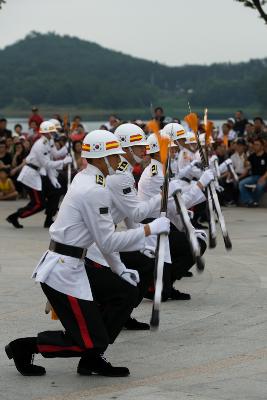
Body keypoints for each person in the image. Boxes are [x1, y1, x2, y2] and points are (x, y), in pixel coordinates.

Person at [5, 130, 170, 377]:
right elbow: (109, 240)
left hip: (76, 262)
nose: (119, 161)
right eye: (114, 156)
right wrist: (149, 229)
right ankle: (25, 346)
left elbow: (102, 240)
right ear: (101, 159)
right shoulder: (94, 189)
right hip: (63, 272)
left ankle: (93, 356)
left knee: (124, 293)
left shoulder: (90, 180)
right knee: (89, 340)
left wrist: (120, 268)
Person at [138, 133, 213, 300]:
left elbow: (173, 208)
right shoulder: (155, 174)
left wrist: (189, 229)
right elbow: (178, 205)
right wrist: (202, 184)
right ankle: (155, 284)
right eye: (169, 149)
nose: (173, 152)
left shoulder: (161, 170)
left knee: (195, 245)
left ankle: (166, 283)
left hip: (163, 224)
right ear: (157, 152)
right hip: (152, 227)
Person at [6, 121, 72, 229]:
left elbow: (55, 155)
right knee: (39, 204)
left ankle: (49, 219)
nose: (54, 134)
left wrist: (66, 147)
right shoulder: (40, 145)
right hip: (31, 175)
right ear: (46, 133)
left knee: (55, 191)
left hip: (39, 173)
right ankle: (15, 216)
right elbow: (46, 163)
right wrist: (64, 162)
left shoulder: (49, 141)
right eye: (52, 132)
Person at [239, 138, 267, 207]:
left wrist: (263, 177)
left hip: (264, 176)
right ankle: (250, 201)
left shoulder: (266, 156)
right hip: (254, 177)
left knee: (259, 187)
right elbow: (246, 166)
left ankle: (253, 201)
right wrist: (245, 161)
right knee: (241, 184)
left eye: (257, 145)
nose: (255, 146)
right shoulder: (252, 156)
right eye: (254, 144)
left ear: (262, 146)